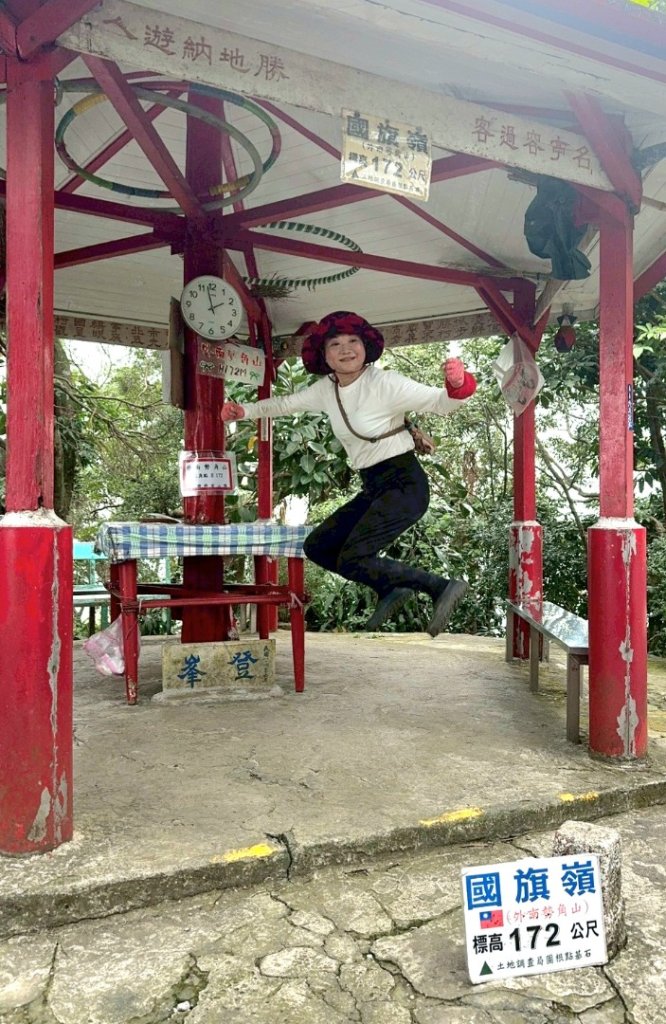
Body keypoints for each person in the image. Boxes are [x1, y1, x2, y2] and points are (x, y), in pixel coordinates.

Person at [220, 310, 477, 636]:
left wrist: (456, 383)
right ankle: (389, 588)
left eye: (353, 341)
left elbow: (441, 402)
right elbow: (285, 405)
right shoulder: (326, 389)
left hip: (404, 484)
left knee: (354, 557)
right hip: (374, 486)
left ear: (365, 346)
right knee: (319, 547)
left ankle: (440, 586)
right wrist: (244, 411)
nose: (346, 349)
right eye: (336, 343)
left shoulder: (385, 383)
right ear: (324, 355)